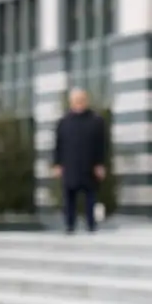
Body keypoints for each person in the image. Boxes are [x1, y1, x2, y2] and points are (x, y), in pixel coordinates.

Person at [52, 88, 107, 234]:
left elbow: (102, 145)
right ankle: (69, 225)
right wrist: (57, 164)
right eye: (76, 100)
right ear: (71, 102)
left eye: (82, 100)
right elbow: (58, 145)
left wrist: (100, 164)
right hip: (70, 165)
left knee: (90, 197)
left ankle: (91, 225)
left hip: (89, 165)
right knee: (69, 197)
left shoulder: (96, 121)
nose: (79, 103)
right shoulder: (63, 122)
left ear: (86, 101)